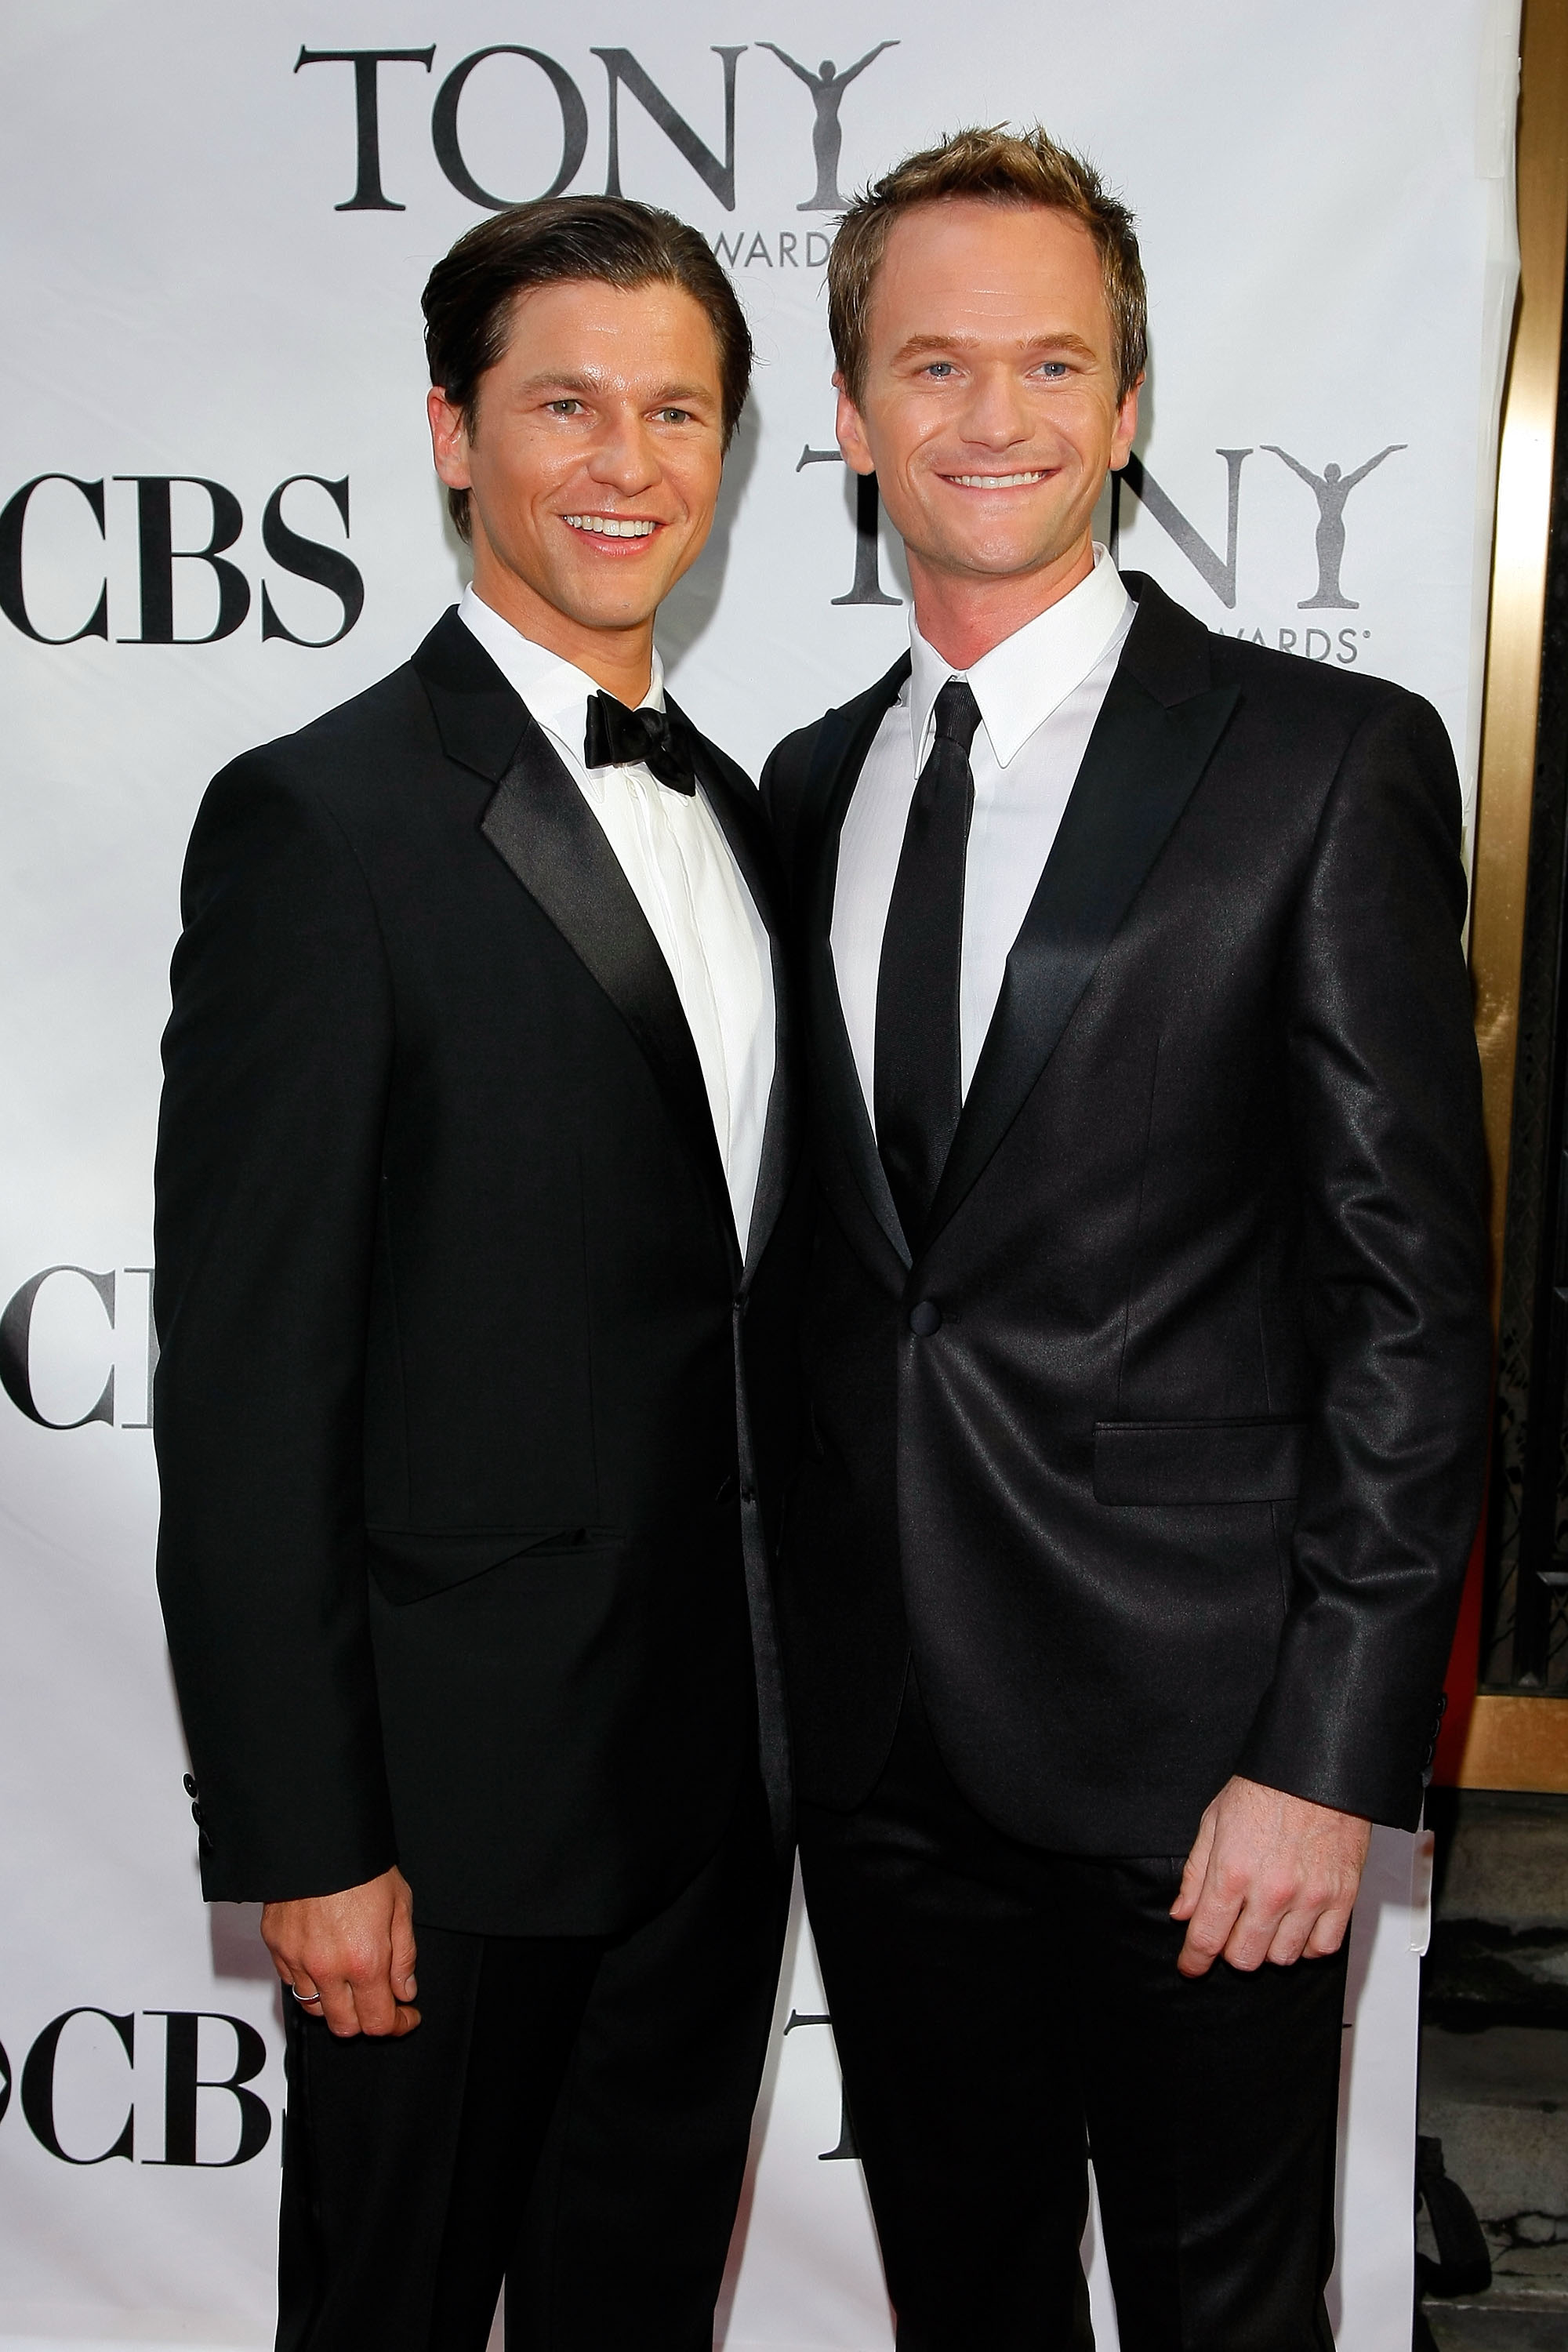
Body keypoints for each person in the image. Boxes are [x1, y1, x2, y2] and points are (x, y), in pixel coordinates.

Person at [761, 126, 1490, 2350]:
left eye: (1055, 363)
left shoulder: (1323, 759)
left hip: (1206, 1762)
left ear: (1132, 400)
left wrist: (1326, 1761)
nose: (999, 418)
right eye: (940, 366)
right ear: (859, 409)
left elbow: (1410, 1305)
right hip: (880, 1746)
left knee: (1218, 2313)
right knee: (964, 2304)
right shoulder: (800, 784)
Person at [154, 195, 801, 2352]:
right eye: (566, 406)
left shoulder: (760, 818)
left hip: (722, 1793)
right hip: (443, 1821)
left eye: (679, 410)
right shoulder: (318, 826)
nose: (629, 463)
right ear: (451, 434)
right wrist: (308, 1837)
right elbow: (247, 1385)